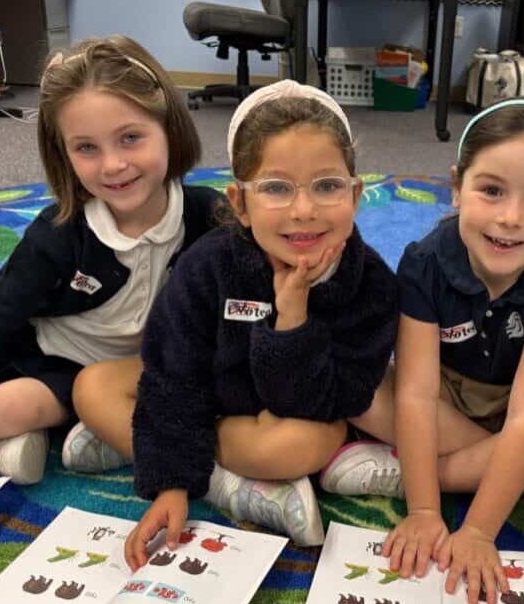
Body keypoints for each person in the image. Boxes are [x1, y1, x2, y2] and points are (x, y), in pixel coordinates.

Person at [0, 36, 222, 500]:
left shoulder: (208, 217)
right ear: (64, 154)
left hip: (84, 378)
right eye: (86, 147)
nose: (113, 165)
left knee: (18, 405)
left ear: (169, 128)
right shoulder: (57, 232)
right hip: (22, 329)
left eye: (130, 138)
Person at [320, 98, 524, 604]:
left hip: (522, 407)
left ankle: (429, 471)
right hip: (445, 403)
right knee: (354, 387)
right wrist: (424, 513)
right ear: (457, 187)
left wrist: (478, 530)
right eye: (492, 190)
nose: (510, 218)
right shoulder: (425, 262)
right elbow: (415, 394)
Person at [100, 80, 397, 565]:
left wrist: (292, 319)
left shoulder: (372, 285)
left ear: (356, 194)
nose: (304, 211)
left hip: (286, 418)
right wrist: (173, 485)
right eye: (277, 189)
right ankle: (216, 480)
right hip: (212, 397)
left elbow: (321, 401)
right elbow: (174, 373)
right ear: (239, 203)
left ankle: (181, 457)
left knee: (304, 445)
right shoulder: (207, 266)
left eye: (327, 186)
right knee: (91, 385)